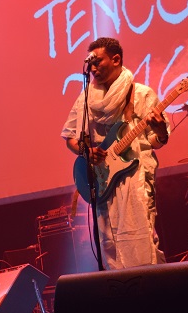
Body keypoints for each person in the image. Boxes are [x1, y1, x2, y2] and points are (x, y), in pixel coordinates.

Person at [61, 37, 170, 269]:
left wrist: (160, 129)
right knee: (109, 243)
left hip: (135, 175)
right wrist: (87, 152)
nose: (93, 68)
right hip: (103, 179)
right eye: (90, 63)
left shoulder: (141, 94)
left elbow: (158, 140)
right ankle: (120, 289)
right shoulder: (86, 99)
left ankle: (152, 286)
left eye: (98, 62)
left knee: (142, 239)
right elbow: (70, 138)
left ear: (116, 59)